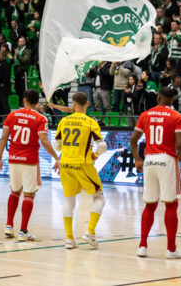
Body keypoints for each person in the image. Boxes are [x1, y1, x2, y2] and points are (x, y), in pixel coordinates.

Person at [130, 86, 181, 259]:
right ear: (172, 100)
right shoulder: (178, 117)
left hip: (149, 160)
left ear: (158, 97)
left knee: (150, 205)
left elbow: (133, 140)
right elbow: (180, 145)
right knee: (171, 204)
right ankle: (171, 249)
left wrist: (137, 158)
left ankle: (142, 246)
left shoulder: (145, 115)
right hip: (167, 160)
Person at [0, 90, 60, 242]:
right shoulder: (40, 118)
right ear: (37, 102)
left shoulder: (11, 115)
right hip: (29, 159)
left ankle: (9, 226)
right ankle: (23, 230)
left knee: (15, 191)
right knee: (29, 194)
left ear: (24, 101)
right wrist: (56, 157)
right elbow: (44, 140)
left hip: (13, 158)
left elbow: (4, 137)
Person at [55, 92, 106, 250]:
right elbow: (103, 146)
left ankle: (69, 240)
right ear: (88, 104)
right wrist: (95, 154)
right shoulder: (90, 122)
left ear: (73, 105)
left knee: (68, 200)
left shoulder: (64, 121)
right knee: (99, 198)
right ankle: (90, 232)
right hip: (82, 164)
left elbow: (57, 145)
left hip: (66, 164)